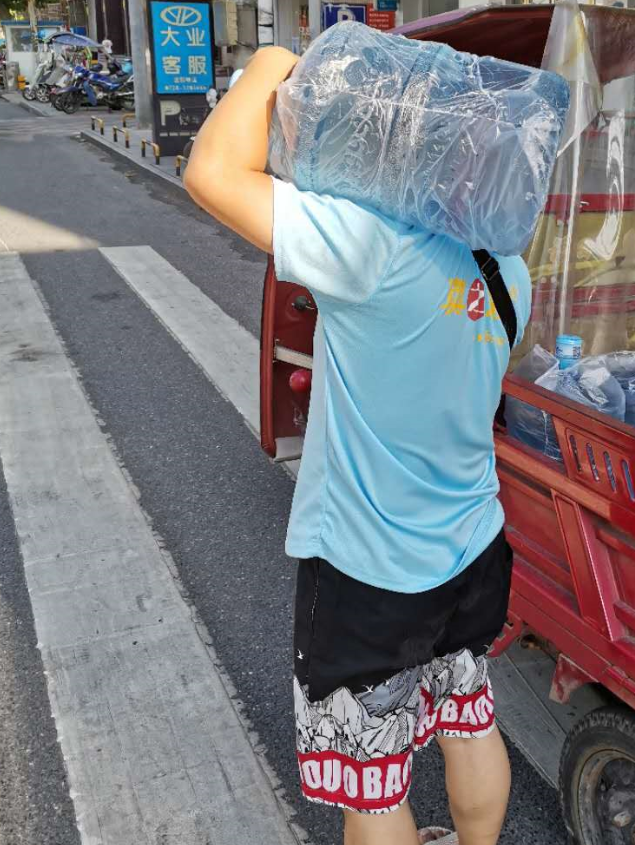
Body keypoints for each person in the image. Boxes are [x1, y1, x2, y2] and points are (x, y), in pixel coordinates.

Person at [184, 44, 532, 845]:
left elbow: (211, 173)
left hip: (371, 569)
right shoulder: (503, 261)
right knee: (467, 716)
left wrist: (272, 59)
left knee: (372, 787)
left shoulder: (370, 247)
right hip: (471, 544)